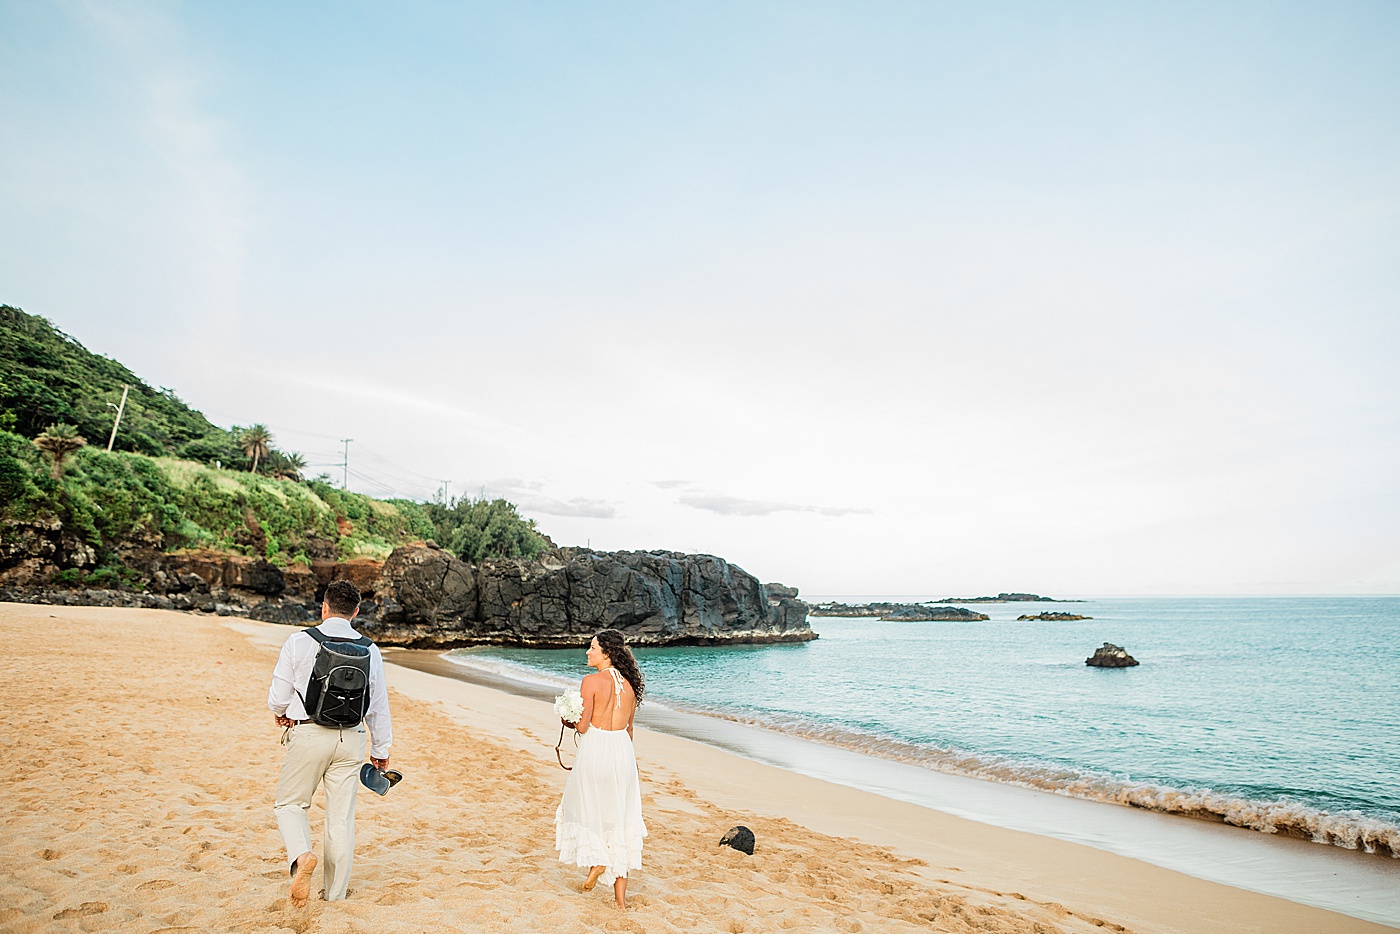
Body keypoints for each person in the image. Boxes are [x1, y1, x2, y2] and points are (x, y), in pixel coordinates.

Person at [267, 580, 392, 906]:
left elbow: (278, 696)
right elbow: (377, 706)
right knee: (340, 819)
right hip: (350, 739)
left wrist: (281, 713)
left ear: (324, 608)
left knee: (291, 804)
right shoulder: (370, 649)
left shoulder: (299, 641)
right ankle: (334, 895)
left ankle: (301, 857)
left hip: (308, 732)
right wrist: (381, 751)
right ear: (356, 611)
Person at [555, 629, 648, 909]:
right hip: (622, 753)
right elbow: (629, 729)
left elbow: (583, 727)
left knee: (586, 806)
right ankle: (620, 902)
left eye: (592, 647)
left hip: (596, 749)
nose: (588, 652)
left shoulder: (591, 681)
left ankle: (597, 862)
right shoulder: (631, 685)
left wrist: (567, 719)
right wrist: (627, 764)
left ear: (606, 652)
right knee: (621, 818)